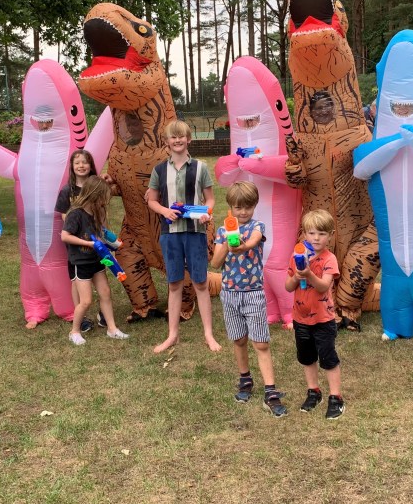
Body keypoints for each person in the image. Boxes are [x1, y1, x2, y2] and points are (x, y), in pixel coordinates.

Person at [210, 181, 286, 417]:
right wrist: (227, 242)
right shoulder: (223, 231)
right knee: (239, 339)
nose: (243, 212)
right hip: (230, 294)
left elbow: (253, 240)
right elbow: (215, 263)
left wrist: (242, 246)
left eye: (248, 207)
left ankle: (270, 391)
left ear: (254, 206)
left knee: (261, 343)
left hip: (253, 293)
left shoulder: (257, 226)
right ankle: (245, 380)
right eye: (238, 207)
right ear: (230, 207)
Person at [145, 120, 221, 354]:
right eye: (173, 137)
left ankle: (208, 334)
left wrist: (207, 212)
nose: (177, 140)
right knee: (174, 283)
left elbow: (210, 199)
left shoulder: (201, 167)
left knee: (200, 283)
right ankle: (172, 335)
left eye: (181, 136)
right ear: (167, 141)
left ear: (189, 139)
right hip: (170, 235)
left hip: (195, 233)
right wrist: (164, 211)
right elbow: (152, 200)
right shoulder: (159, 170)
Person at [285, 209, 344, 419]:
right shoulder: (297, 256)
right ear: (304, 234)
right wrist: (297, 275)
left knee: (328, 358)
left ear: (330, 235)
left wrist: (309, 273)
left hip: (323, 320)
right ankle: (313, 392)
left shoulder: (329, 259)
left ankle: (336, 397)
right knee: (307, 357)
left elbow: (323, 286)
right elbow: (288, 286)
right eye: (311, 233)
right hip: (300, 318)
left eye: (321, 233)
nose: (316, 238)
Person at [60, 176, 129, 345]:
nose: (105, 202)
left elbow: (101, 234)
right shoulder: (75, 214)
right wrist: (88, 244)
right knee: (86, 301)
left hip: (96, 261)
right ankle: (74, 332)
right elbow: (65, 236)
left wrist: (110, 245)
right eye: (103, 198)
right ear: (94, 196)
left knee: (105, 293)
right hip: (80, 262)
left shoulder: (97, 213)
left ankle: (112, 329)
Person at [55, 149, 103, 331]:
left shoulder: (96, 187)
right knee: (77, 279)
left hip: (95, 239)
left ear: (91, 165)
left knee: (100, 274)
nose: (81, 166)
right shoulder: (67, 190)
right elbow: (64, 216)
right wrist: (76, 232)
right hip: (76, 240)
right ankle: (80, 318)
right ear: (72, 167)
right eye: (77, 163)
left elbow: (101, 211)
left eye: (85, 162)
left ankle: (104, 314)